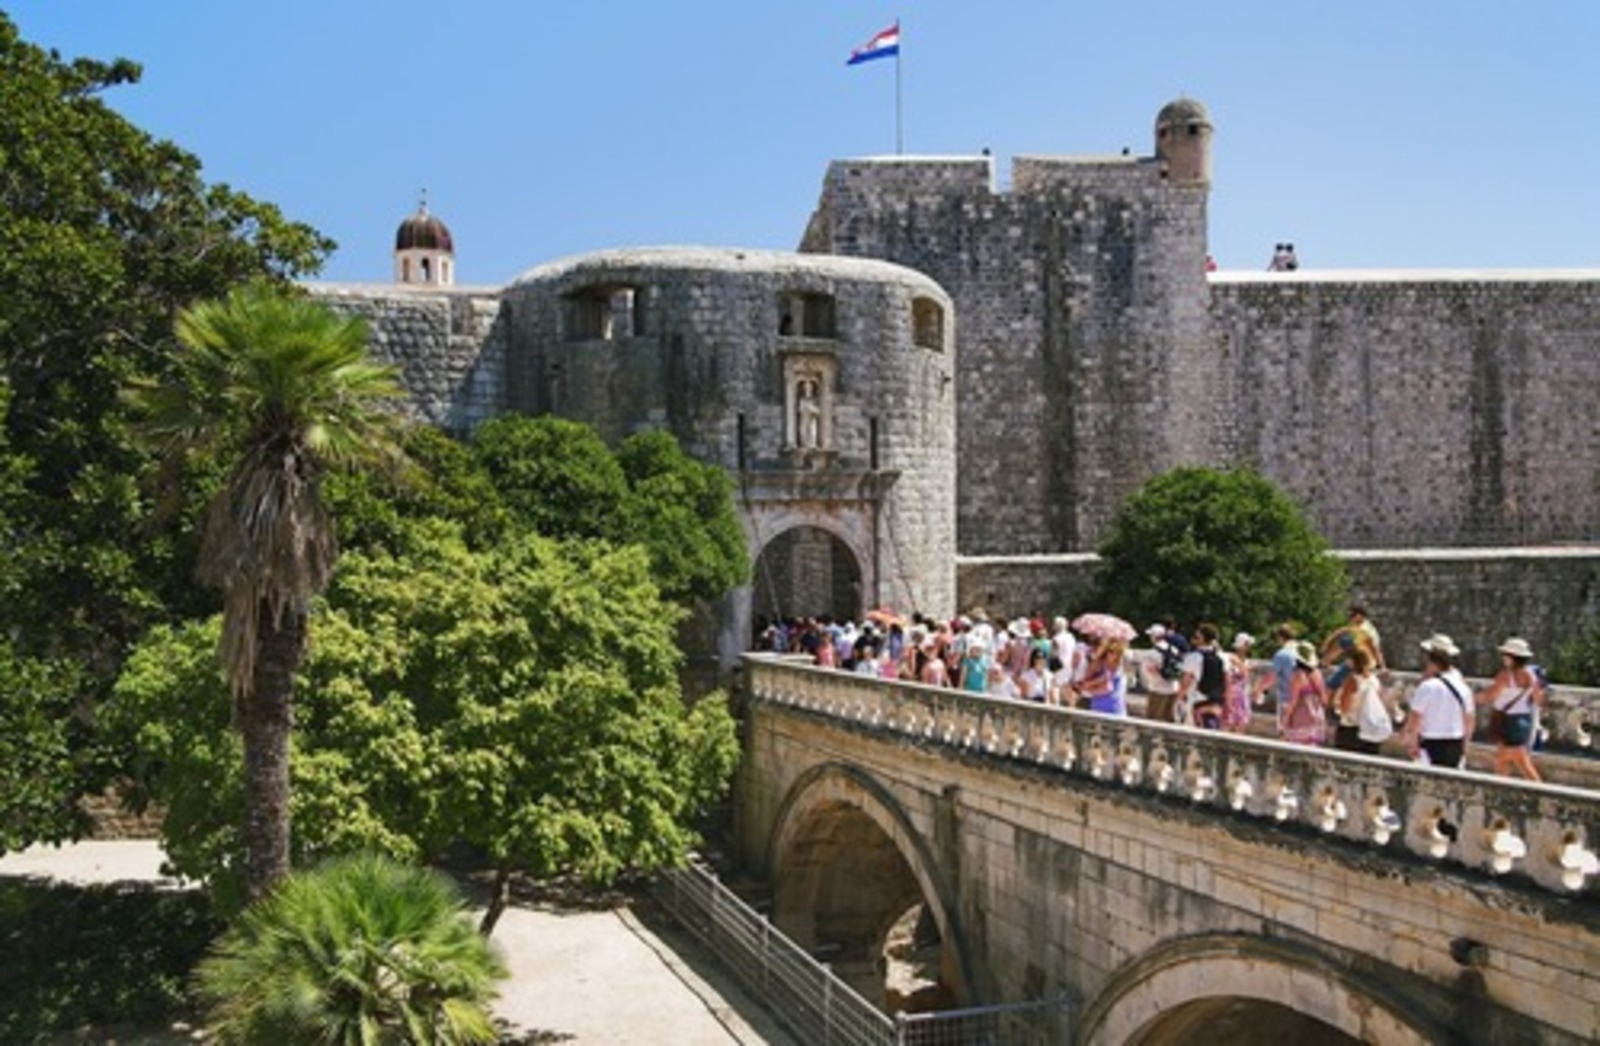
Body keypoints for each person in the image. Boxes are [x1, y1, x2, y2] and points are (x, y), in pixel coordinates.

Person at [1476, 637, 1545, 781]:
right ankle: (1501, 788)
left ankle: (1540, 790)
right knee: (1504, 759)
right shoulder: (1532, 675)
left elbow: (1490, 696)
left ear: (1511, 657)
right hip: (1524, 719)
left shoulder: (1505, 676)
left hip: (1508, 721)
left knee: (1519, 761)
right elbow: (1538, 699)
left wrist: (1470, 699)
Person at [1402, 634, 1471, 769]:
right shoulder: (1463, 687)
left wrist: (1412, 741)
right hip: (1455, 741)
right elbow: (1469, 718)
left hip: (1430, 741)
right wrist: (1465, 744)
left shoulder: (1427, 686)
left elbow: (1416, 716)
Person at [1331, 647, 1381, 753]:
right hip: (1369, 728)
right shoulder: (1374, 681)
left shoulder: (1352, 681)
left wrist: (1336, 702)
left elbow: (1345, 707)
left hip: (1351, 729)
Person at [1177, 623, 1227, 729]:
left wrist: (1178, 699)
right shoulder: (1222, 657)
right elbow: (1227, 680)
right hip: (1216, 699)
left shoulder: (1194, 657)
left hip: (1198, 697)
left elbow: (1185, 681)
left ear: (1201, 638)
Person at [1281, 641, 1328, 746]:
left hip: (1302, 716)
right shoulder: (1317, 674)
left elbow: (1293, 701)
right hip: (1316, 717)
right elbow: (1324, 700)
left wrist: (1285, 720)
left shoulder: (1298, 676)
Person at [1140, 623, 1183, 724]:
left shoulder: (1152, 653)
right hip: (1173, 688)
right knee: (1169, 720)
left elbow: (1148, 671)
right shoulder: (1174, 649)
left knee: (1152, 720)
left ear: (1154, 637)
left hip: (1157, 689)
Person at [1074, 638, 1127, 716]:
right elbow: (1088, 674)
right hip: (1097, 707)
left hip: (1113, 709)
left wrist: (1088, 686)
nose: (1110, 654)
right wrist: (1097, 656)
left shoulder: (1117, 668)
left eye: (1113, 652)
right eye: (1108, 651)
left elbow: (1107, 688)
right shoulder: (1100, 663)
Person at [1221, 632, 1255, 733]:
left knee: (1241, 724)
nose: (1249, 647)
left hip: (1242, 696)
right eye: (1247, 644)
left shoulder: (1246, 661)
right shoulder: (1230, 659)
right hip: (1232, 695)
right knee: (1228, 724)